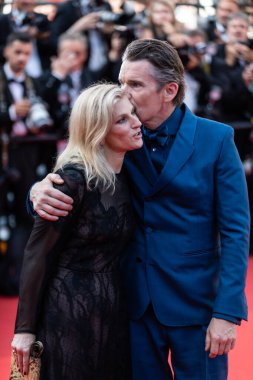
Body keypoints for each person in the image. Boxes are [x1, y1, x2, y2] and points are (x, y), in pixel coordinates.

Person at [28, 39, 250, 380]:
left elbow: (236, 231)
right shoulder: (118, 136)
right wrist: (38, 190)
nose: (124, 93)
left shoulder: (216, 139)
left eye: (135, 84)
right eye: (121, 82)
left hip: (198, 306)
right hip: (132, 305)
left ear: (169, 90)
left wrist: (227, 312)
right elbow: (76, 170)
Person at [11, 83, 142, 379]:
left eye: (132, 113)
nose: (136, 122)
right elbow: (37, 254)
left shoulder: (128, 173)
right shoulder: (72, 180)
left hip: (113, 310)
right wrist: (25, 330)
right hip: (67, 312)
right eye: (122, 119)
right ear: (98, 131)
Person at [0, 32, 54, 295]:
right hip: (4, 155)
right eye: (17, 52)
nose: (22, 58)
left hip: (26, 156)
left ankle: (17, 279)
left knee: (25, 217)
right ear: (6, 52)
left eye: (27, 54)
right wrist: (11, 113)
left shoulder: (33, 83)